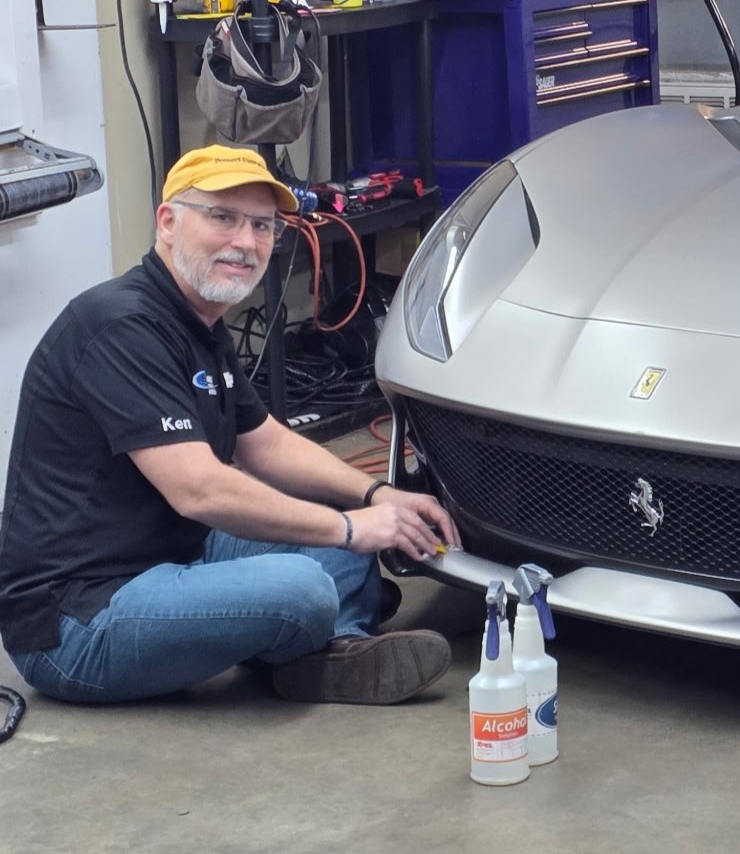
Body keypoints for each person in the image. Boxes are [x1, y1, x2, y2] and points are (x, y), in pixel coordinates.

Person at [0, 145, 460, 706]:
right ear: (167, 223)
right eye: (222, 217)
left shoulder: (199, 321)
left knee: (344, 542)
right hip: (78, 620)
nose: (245, 242)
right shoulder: (118, 326)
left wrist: (377, 495)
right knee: (306, 583)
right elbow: (198, 489)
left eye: (262, 226)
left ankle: (330, 652)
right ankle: (312, 633)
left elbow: (264, 442)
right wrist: (350, 527)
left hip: (173, 557)